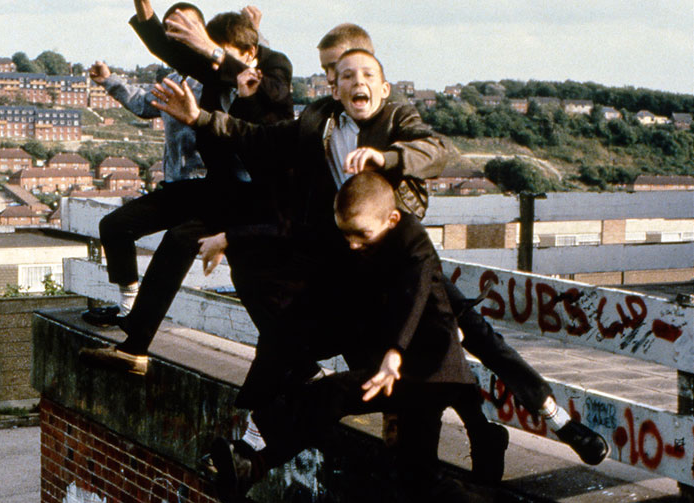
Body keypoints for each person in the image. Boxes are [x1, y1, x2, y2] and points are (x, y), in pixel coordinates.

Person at [152, 43, 608, 472]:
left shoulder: (397, 119)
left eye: (366, 74)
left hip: (404, 255)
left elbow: (436, 151)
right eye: (344, 75)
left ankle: (559, 421)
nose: (356, 82)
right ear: (333, 87)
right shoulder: (318, 122)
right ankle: (252, 442)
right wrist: (200, 118)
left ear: (384, 87)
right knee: (290, 336)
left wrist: (386, 160)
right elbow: (258, 138)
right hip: (350, 264)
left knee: (475, 333)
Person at [211, 172, 524, 503]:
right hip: (410, 378)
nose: (354, 245)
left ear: (391, 220)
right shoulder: (357, 246)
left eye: (362, 236)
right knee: (417, 474)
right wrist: (229, 238)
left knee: (331, 394)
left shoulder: (415, 249)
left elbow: (422, 302)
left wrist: (395, 353)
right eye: (348, 236)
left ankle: (253, 464)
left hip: (427, 369)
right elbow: (294, 233)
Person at [80, 2, 294, 375]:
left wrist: (223, 48)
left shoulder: (273, 73)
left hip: (267, 204)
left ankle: (296, 363)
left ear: (251, 54)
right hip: (225, 194)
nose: (215, 61)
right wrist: (145, 12)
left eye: (223, 54)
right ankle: (135, 346)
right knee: (180, 242)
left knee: (262, 294)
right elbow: (168, 52)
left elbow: (272, 94)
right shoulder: (212, 76)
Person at [83, 4, 207, 327]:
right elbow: (142, 102)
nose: (176, 35)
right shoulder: (173, 80)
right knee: (114, 227)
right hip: (177, 189)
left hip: (211, 191)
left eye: (184, 27)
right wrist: (109, 80)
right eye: (170, 29)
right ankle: (128, 309)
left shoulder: (214, 81)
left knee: (175, 249)